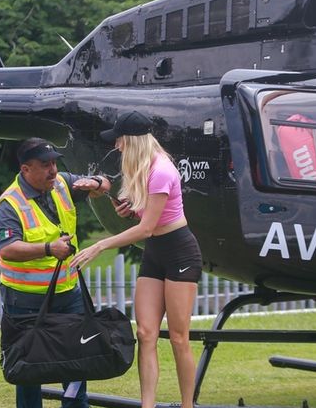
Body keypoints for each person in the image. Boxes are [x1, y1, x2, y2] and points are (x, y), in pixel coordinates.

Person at [69, 111, 202, 408]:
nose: (116, 146)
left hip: (180, 251)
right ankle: (147, 405)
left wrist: (100, 246)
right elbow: (146, 218)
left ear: (131, 140)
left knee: (179, 337)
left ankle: (187, 405)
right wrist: (131, 208)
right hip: (156, 252)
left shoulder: (162, 171)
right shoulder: (141, 168)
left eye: (119, 140)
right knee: (145, 333)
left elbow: (146, 228)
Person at [0, 137, 111, 408]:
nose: (53, 170)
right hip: (26, 299)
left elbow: (104, 182)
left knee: (77, 358)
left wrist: (98, 184)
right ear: (25, 169)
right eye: (45, 165)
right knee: (29, 368)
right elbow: (7, 248)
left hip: (68, 293)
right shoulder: (9, 204)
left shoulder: (62, 183)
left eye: (54, 163)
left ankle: (75, 406)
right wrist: (47, 248)